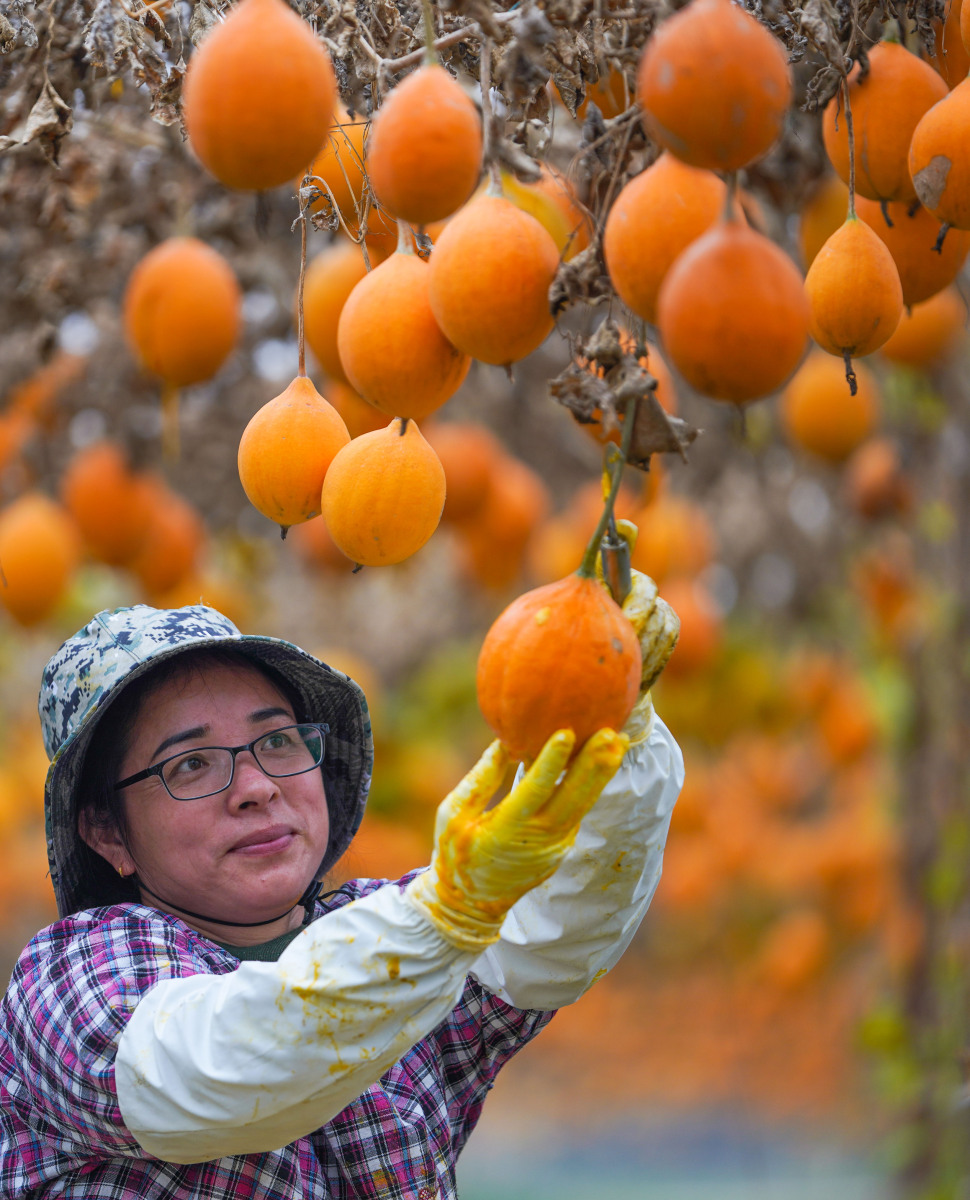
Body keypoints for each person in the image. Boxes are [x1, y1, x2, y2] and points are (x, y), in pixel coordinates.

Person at [0, 560, 683, 1198]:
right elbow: (206, 1071)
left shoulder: (385, 928)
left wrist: (614, 722)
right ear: (106, 832)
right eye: (192, 765)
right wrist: (443, 916)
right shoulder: (71, 974)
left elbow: (548, 934)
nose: (258, 787)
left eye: (276, 741)